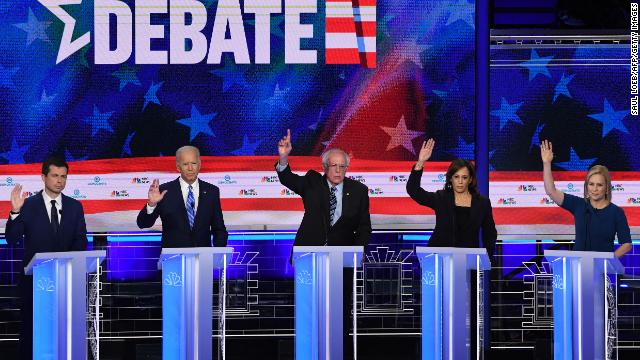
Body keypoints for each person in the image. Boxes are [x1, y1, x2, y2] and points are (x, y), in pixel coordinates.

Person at [276, 129, 371, 360]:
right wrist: (284, 157)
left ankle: (339, 354)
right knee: (310, 310)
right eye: (334, 166)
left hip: (342, 261)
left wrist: (357, 254)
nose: (338, 171)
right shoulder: (311, 182)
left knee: (340, 313)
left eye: (342, 167)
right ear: (325, 167)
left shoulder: (358, 191)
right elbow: (286, 177)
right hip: (310, 258)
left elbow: (364, 227)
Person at [5, 156, 88, 360]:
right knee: (31, 330)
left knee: (63, 329)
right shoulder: (28, 204)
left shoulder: (74, 206)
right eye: (55, 176)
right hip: (34, 281)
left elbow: (81, 240)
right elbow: (11, 239)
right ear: (43, 177)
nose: (59, 180)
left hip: (65, 280)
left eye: (63, 176)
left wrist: (68, 264)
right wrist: (15, 212)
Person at [406, 139, 497, 257]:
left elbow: (490, 233)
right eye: (456, 177)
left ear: (470, 180)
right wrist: (420, 162)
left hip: (468, 260)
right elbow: (413, 190)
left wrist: (485, 257)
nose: (460, 182)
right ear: (450, 179)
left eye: (464, 177)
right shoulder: (441, 198)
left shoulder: (482, 203)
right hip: (439, 258)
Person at [540, 140, 631, 257]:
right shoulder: (578, 204)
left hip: (602, 270)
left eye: (599, 185)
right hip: (577, 267)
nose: (595, 189)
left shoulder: (616, 212)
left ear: (607, 187)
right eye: (591, 184)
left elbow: (627, 244)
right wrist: (546, 163)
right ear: (586, 186)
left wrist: (608, 260)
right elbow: (551, 191)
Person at [137, 145, 228, 247]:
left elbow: (219, 229)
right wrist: (152, 204)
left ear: (199, 165)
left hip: (203, 258)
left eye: (193, 163)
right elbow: (143, 224)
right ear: (178, 167)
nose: (190, 168)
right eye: (185, 164)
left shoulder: (212, 191)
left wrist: (218, 256)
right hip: (173, 259)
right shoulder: (164, 191)